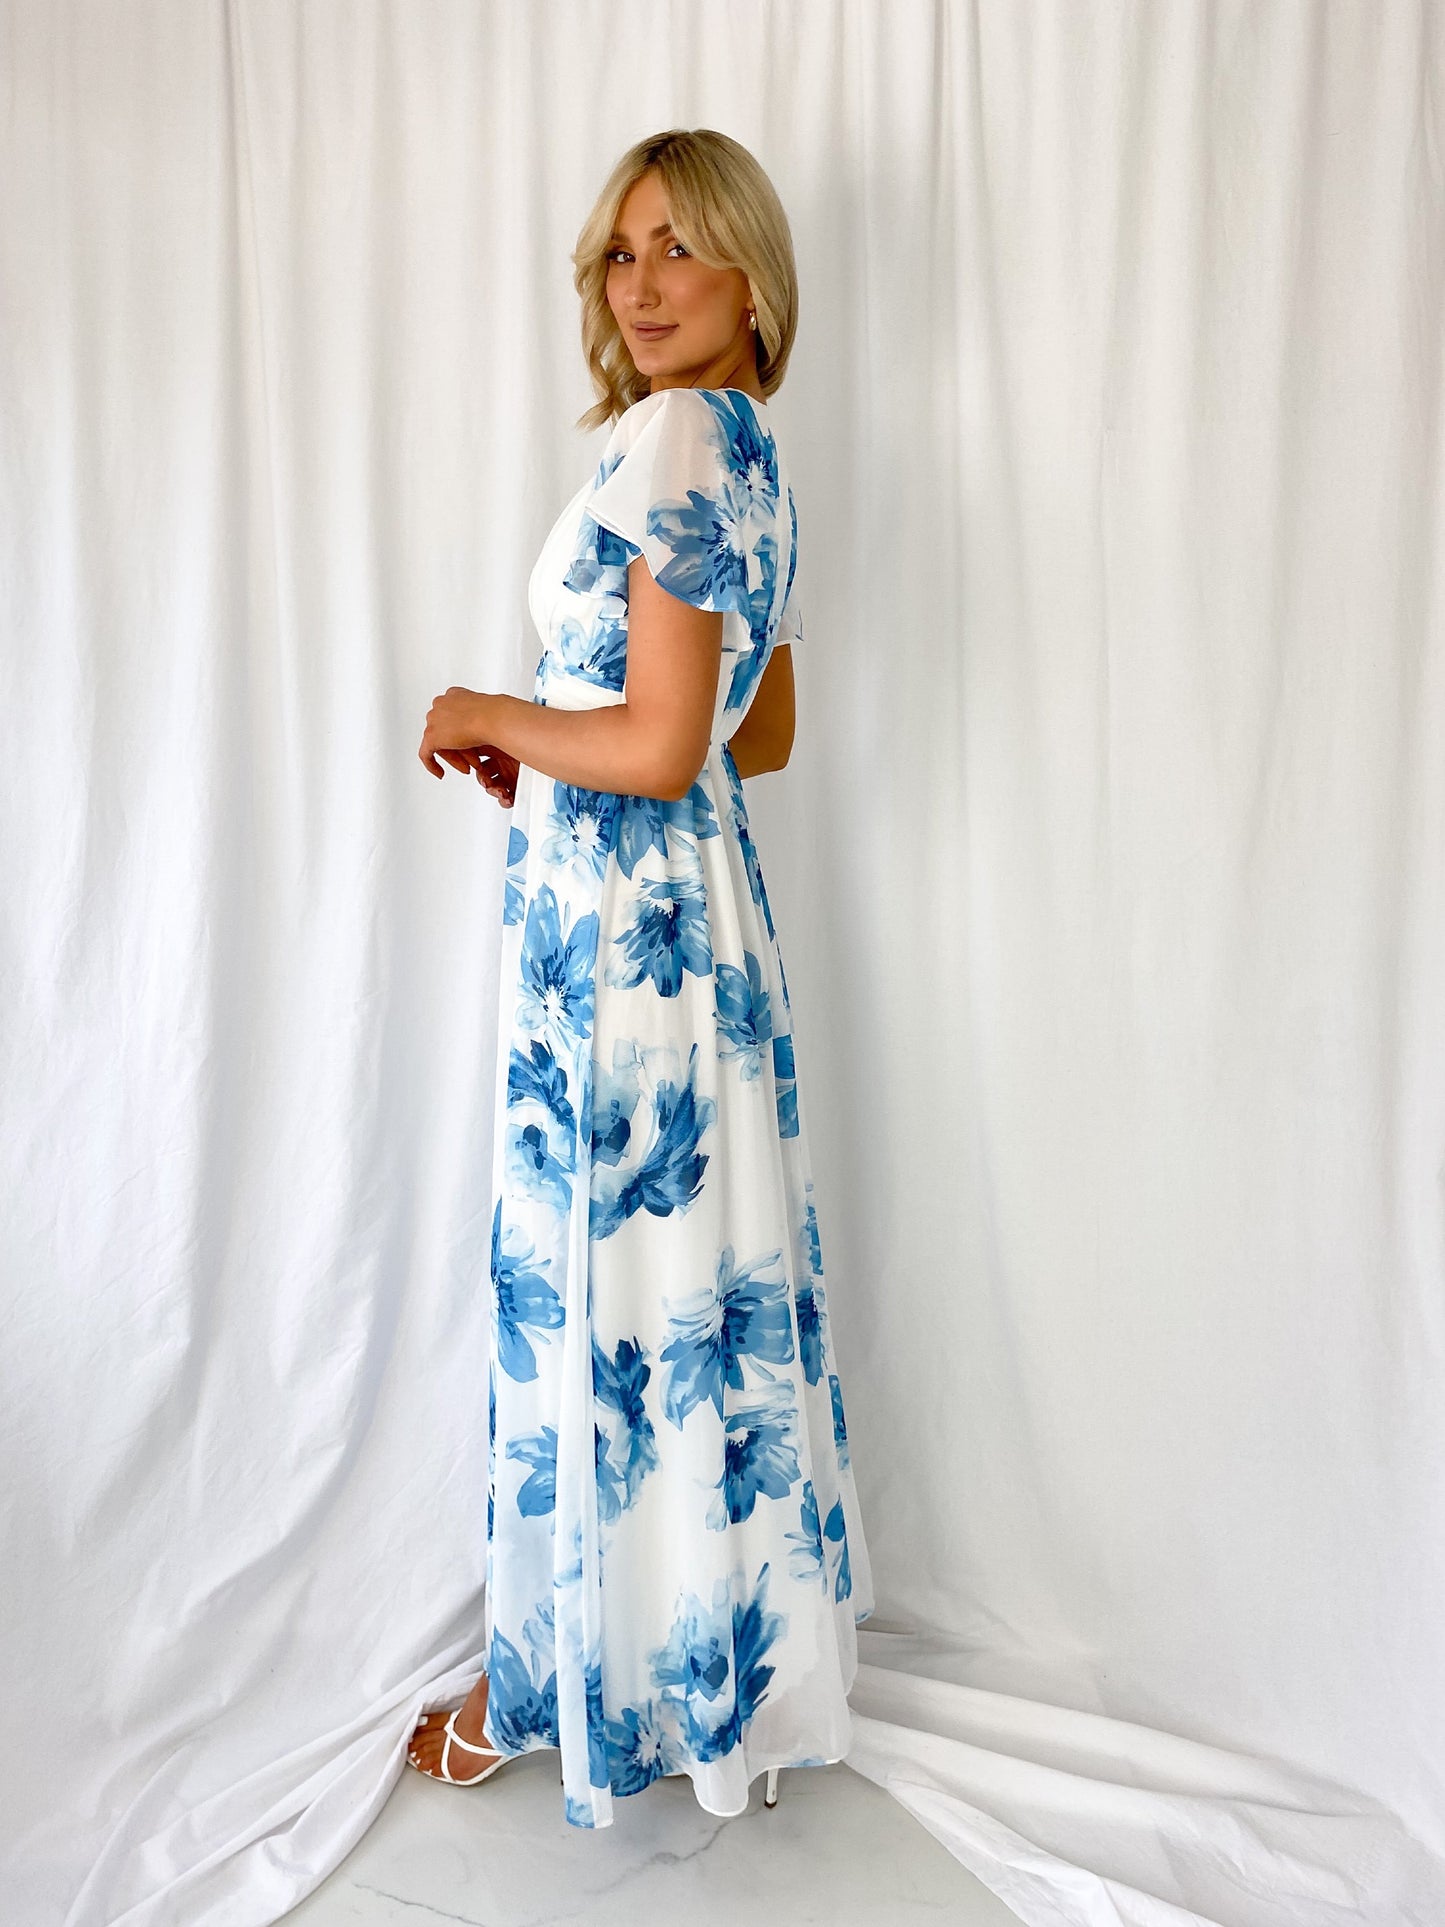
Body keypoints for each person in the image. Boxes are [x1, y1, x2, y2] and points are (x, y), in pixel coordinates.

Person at [408, 127, 873, 1828]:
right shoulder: (751, 453)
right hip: (693, 925)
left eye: (681, 247)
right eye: (620, 254)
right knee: (684, 1290)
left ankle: (568, 1677)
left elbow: (672, 738)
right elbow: (761, 727)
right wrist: (568, 747)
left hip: (624, 941)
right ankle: (689, 1669)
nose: (645, 283)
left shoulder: (673, 435)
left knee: (617, 1287)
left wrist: (490, 712)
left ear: (753, 272)